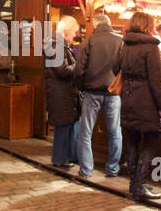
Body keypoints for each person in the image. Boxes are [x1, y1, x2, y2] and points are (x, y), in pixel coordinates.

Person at [116, 12, 161, 202]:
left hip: (127, 98)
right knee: (150, 142)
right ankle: (139, 186)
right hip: (146, 101)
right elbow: (156, 80)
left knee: (131, 142)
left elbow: (115, 69)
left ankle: (133, 185)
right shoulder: (151, 46)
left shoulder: (124, 45)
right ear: (148, 25)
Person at [80, 10, 126, 177]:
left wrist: (81, 86)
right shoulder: (120, 41)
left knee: (85, 133)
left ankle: (86, 170)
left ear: (95, 25)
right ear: (109, 24)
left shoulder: (88, 41)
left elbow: (79, 69)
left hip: (91, 92)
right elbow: (124, 67)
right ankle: (113, 168)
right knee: (115, 132)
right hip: (113, 93)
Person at [44, 14, 87, 178]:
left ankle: (63, 158)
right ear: (66, 31)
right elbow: (61, 70)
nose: (75, 35)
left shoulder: (58, 45)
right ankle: (59, 159)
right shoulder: (56, 46)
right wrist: (79, 67)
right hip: (60, 93)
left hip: (62, 93)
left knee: (65, 126)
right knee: (62, 127)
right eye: (74, 31)